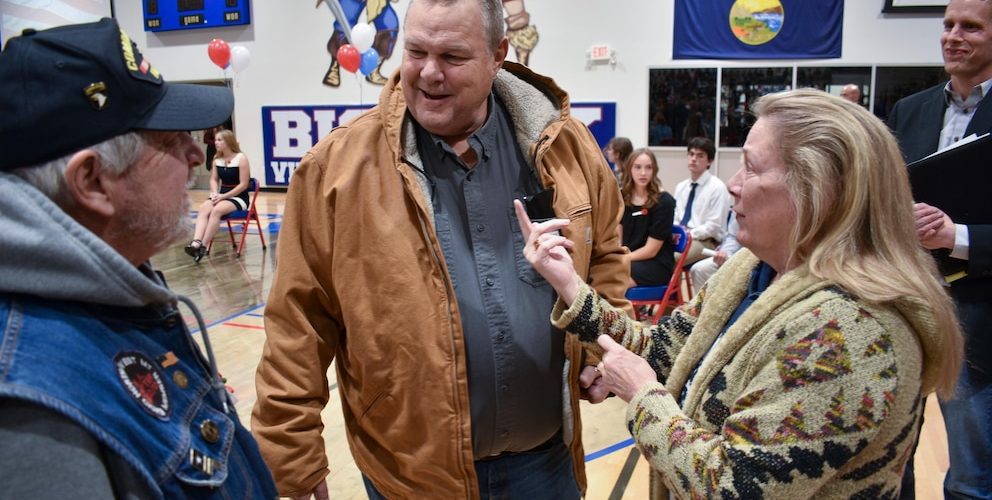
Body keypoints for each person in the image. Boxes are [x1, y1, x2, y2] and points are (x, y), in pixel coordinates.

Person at [251, 0, 631, 498]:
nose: (429, 73)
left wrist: (603, 344)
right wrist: (292, 463)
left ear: (498, 55)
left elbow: (603, 250)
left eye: (452, 56)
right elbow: (297, 322)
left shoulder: (567, 147)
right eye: (415, 52)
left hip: (546, 465)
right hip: (411, 477)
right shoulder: (335, 172)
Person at [517, 89, 963, 499]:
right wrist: (569, 284)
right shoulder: (752, 269)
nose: (733, 183)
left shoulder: (854, 333)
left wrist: (642, 394)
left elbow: (732, 486)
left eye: (751, 166)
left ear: (816, 192)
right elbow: (663, 350)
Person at [0, 18, 277, 499]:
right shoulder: (30, 409)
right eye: (169, 140)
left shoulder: (113, 294)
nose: (195, 153)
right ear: (91, 182)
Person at [887, 0, 992, 497]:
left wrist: (957, 236)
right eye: (948, 25)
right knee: (890, 457)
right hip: (903, 301)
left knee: (972, 472)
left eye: (970, 26)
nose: (953, 35)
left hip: (978, 310)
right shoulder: (909, 111)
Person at [184, 129, 251, 262]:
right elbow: (214, 179)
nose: (216, 142)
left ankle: (203, 245)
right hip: (221, 195)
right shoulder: (216, 158)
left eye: (220, 140)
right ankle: (196, 242)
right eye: (216, 140)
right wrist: (215, 193)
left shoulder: (241, 158)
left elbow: (243, 185)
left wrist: (223, 196)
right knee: (204, 208)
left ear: (228, 142)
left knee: (216, 210)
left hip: (238, 197)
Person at [620, 148, 676, 286]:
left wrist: (623, 259)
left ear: (654, 171)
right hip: (629, 259)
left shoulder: (664, 202)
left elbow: (651, 250)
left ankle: (607, 307)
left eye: (648, 167)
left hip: (655, 264)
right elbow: (617, 236)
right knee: (598, 270)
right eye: (638, 167)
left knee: (613, 278)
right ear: (629, 169)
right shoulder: (622, 197)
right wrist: (616, 256)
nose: (643, 173)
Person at [673, 136, 730, 265]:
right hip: (682, 237)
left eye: (700, 156)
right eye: (691, 154)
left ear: (709, 161)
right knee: (657, 253)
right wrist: (677, 233)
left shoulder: (717, 187)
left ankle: (669, 285)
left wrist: (687, 235)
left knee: (672, 258)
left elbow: (713, 227)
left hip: (706, 242)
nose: (694, 159)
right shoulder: (681, 187)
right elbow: (675, 217)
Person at [689, 212, 740, 290]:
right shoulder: (739, 205)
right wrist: (725, 252)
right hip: (736, 253)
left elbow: (713, 226)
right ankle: (703, 302)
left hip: (706, 239)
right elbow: (733, 236)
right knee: (699, 269)